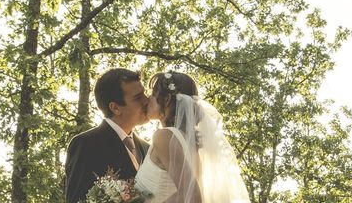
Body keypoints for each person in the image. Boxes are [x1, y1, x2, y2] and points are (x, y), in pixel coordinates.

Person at [135, 71, 250, 203]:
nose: (148, 99)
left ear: (166, 100)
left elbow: (193, 197)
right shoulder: (192, 146)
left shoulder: (164, 137)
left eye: (153, 95)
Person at [65, 68, 150, 203]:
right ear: (115, 108)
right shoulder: (86, 145)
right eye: (138, 98)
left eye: (144, 94)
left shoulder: (148, 148)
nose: (147, 101)